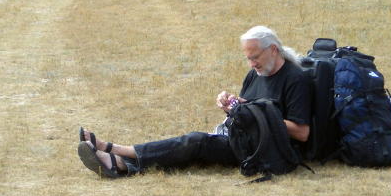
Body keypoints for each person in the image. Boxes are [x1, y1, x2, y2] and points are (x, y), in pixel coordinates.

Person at [77, 25, 311, 178]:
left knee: (195, 142)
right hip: (242, 137)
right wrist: (232, 106)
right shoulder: (255, 74)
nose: (251, 64)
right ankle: (121, 163)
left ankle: (115, 151)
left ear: (273, 49)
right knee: (190, 148)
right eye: (248, 58)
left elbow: (302, 133)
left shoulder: (295, 79)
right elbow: (250, 109)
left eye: (255, 57)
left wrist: (258, 115)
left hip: (265, 149)